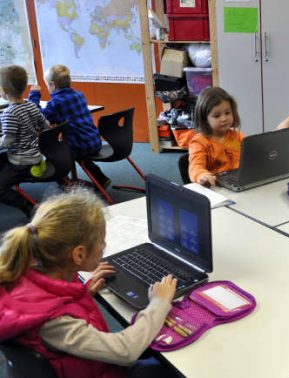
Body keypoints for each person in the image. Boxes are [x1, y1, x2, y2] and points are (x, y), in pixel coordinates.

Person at [0, 189, 178, 378]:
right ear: (78, 255)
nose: (104, 245)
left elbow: (49, 299)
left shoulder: (28, 267)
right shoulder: (54, 323)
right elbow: (125, 350)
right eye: (102, 241)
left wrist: (82, 294)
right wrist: (159, 302)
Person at [28, 65, 110, 188]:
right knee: (73, 141)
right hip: (94, 141)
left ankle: (64, 183)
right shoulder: (79, 95)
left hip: (80, 147)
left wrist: (34, 95)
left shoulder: (56, 103)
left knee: (53, 150)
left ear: (52, 85)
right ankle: (100, 178)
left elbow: (37, 118)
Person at [0, 64, 49, 216]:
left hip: (21, 161)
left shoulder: (9, 113)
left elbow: (7, 143)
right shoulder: (31, 105)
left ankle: (29, 206)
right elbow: (46, 126)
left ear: (4, 91)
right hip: (36, 155)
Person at [188, 86, 244, 187]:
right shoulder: (200, 142)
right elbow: (195, 166)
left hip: (239, 183)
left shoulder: (237, 137)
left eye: (227, 113)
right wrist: (203, 175)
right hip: (215, 187)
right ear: (205, 119)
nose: (224, 119)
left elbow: (250, 156)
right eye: (217, 116)